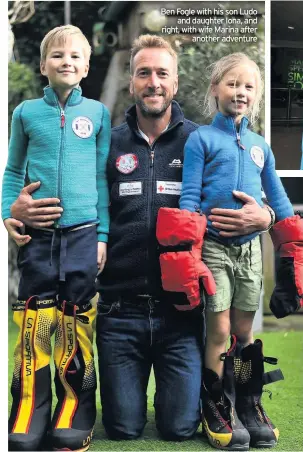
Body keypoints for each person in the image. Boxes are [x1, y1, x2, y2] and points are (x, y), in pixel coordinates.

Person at [8, 35, 272, 442]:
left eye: (162, 74)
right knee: (123, 428)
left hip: (180, 316)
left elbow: (256, 187)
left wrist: (267, 214)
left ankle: (240, 399)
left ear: (176, 83)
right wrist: (15, 208)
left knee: (180, 425)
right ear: (131, 83)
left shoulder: (201, 141)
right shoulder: (106, 141)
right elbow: (57, 180)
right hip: (120, 313)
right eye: (143, 73)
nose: (153, 83)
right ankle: (55, 402)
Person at [165, 53, 293, 450]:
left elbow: (281, 202)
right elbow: (188, 196)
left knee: (243, 332)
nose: (240, 92)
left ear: (256, 96)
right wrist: (187, 251)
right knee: (218, 329)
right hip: (214, 249)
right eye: (232, 84)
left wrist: (291, 254)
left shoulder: (261, 147)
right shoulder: (201, 139)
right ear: (215, 89)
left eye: (249, 86)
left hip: (250, 253)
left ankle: (248, 403)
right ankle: (216, 402)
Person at [3, 25, 110, 452]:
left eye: (74, 56)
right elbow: (12, 172)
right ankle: (28, 409)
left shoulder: (98, 114)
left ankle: (75, 409)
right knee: (36, 322)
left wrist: (102, 234)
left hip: (84, 236)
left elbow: (103, 178)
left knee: (75, 320)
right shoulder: (26, 112)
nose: (66, 61)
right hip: (38, 238)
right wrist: (8, 212)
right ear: (42, 64)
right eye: (57, 55)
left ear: (86, 66)